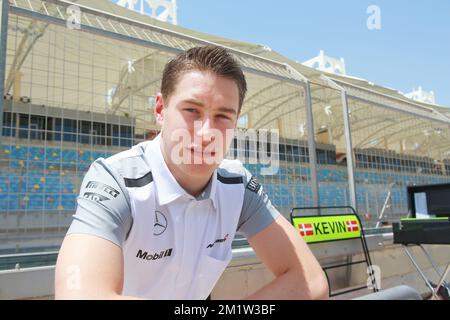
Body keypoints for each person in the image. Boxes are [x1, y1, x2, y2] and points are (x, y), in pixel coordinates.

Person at [54, 45, 328, 300]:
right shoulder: (115, 180)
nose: (207, 133)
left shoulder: (238, 185)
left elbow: (312, 281)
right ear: (160, 109)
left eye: (223, 116)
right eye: (191, 110)